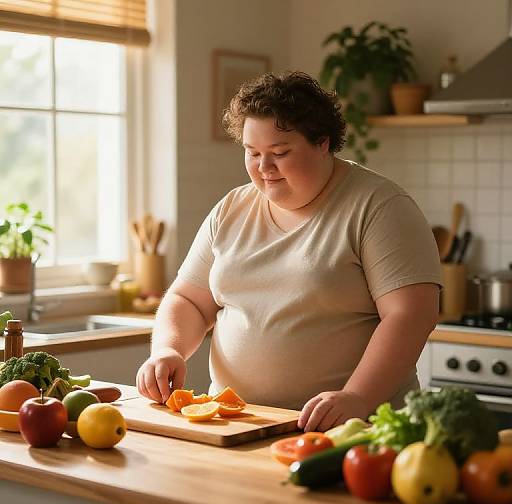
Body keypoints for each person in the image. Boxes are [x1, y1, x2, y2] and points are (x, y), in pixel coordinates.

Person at [136, 71, 442, 432]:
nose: (264, 168)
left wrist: (357, 397)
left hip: (353, 430)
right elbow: (189, 299)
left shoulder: (380, 206)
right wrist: (168, 350)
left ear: (322, 143)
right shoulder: (231, 208)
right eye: (253, 153)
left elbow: (411, 316)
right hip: (238, 425)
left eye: (280, 153)